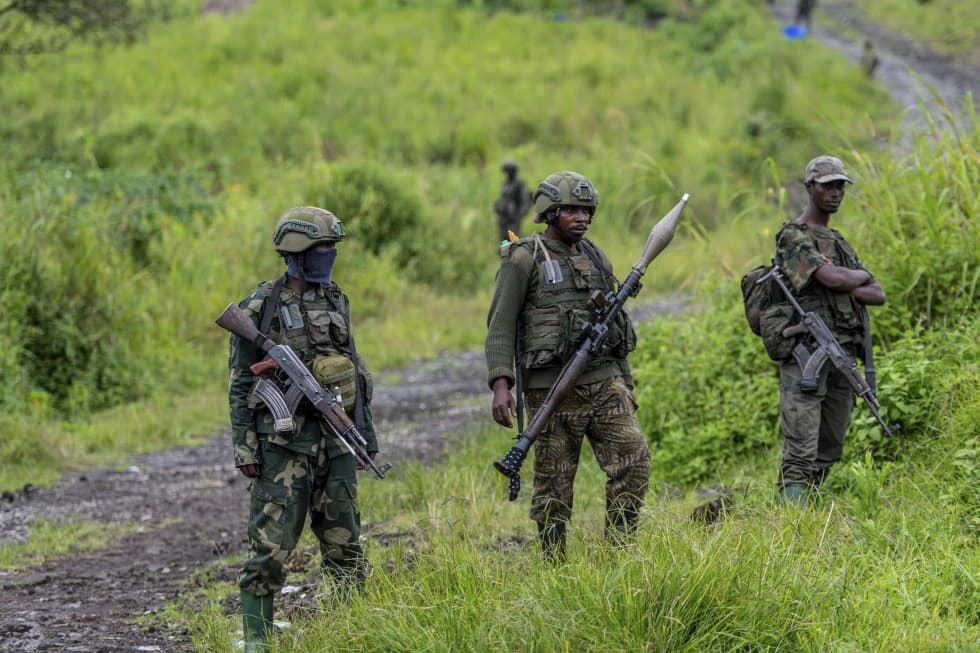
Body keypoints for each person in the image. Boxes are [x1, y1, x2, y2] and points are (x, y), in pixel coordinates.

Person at [227, 206, 378, 651]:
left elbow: (354, 366)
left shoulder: (336, 299)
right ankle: (257, 639)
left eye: (332, 248)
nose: (329, 256)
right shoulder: (261, 305)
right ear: (296, 252)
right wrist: (246, 449)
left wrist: (364, 432)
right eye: (322, 249)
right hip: (283, 449)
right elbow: (240, 382)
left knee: (345, 542)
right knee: (270, 550)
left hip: (335, 443)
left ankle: (355, 627)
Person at [485, 171, 650, 559]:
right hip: (550, 389)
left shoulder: (594, 255)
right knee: (554, 485)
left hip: (605, 381)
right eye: (572, 210)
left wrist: (626, 383)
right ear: (550, 212)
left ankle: (620, 553)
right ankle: (554, 564)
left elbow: (614, 323)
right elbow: (500, 324)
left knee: (634, 458)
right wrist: (500, 384)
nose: (582, 218)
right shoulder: (524, 258)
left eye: (587, 211)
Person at [773, 156, 885, 503]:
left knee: (831, 443)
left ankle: (810, 511)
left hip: (841, 354)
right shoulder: (793, 237)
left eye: (840, 186)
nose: (835, 193)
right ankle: (787, 522)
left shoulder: (837, 241)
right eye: (827, 185)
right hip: (806, 352)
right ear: (810, 188)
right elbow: (831, 277)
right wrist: (850, 279)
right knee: (801, 446)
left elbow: (878, 293)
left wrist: (847, 281)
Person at [493, 159, 532, 244]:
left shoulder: (519, 185)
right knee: (504, 242)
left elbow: (524, 202)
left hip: (513, 219)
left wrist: (518, 215)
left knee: (514, 240)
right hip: (503, 218)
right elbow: (503, 199)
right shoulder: (505, 184)